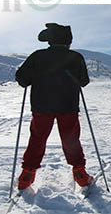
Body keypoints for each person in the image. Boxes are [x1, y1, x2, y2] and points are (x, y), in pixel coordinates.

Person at [15, 23, 93, 190]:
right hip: (68, 107)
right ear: (67, 41)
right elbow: (84, 82)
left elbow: (22, 79)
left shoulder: (37, 56)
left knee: (37, 138)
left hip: (41, 107)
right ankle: (81, 175)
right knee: (71, 139)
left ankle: (26, 176)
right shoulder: (76, 57)